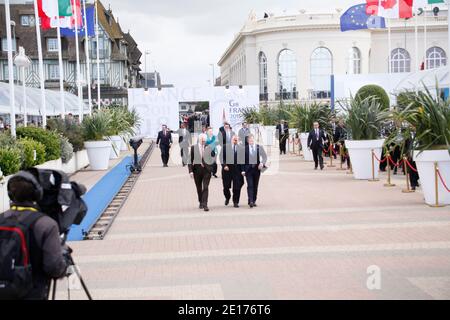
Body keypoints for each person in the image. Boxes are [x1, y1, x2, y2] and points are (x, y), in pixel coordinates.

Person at [0, 172, 67, 300]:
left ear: (10, 194)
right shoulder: (46, 224)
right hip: (32, 293)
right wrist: (64, 262)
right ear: (37, 195)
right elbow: (54, 268)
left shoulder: (1, 219)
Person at [188, 134, 215, 212]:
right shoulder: (194, 148)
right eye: (202, 140)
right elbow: (190, 160)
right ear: (199, 140)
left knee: (205, 187)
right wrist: (190, 171)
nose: (203, 142)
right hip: (197, 170)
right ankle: (200, 201)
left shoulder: (208, 147)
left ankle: (205, 204)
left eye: (205, 140)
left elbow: (213, 156)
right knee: (199, 187)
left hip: (207, 170)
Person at [241, 134, 268, 208]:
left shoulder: (259, 147)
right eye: (250, 140)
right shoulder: (244, 149)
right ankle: (251, 201)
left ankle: (254, 200)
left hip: (257, 169)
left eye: (252, 140)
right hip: (248, 170)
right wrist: (243, 170)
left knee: (255, 186)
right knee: (250, 185)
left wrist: (262, 163)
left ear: (254, 140)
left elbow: (265, 157)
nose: (251, 141)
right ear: (248, 141)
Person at [220, 135, 245, 208]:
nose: (235, 141)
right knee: (226, 187)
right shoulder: (225, 147)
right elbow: (221, 157)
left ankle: (236, 201)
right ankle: (227, 197)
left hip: (237, 170)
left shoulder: (241, 148)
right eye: (234, 140)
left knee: (237, 187)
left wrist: (243, 170)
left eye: (236, 140)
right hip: (227, 170)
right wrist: (224, 165)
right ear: (231, 140)